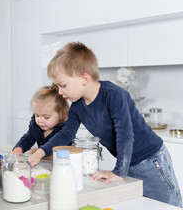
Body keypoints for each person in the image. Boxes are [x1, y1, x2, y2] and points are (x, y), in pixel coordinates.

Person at [28, 42, 182, 207]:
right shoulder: (77, 106)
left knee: (169, 205)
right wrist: (41, 152)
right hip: (128, 161)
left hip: (151, 160)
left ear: (84, 78)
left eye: (63, 85)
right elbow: (66, 134)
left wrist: (119, 172)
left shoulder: (114, 96)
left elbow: (125, 135)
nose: (59, 92)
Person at [12, 84, 69, 157]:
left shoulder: (65, 131)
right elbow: (28, 138)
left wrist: (39, 155)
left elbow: (61, 155)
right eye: (37, 115)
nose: (40, 121)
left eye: (46, 117)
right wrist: (18, 149)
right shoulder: (36, 126)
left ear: (61, 114)